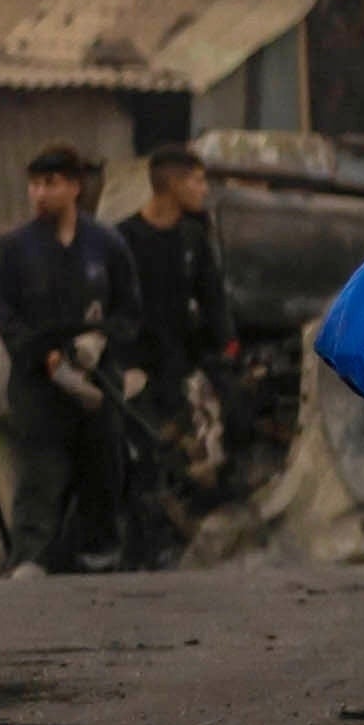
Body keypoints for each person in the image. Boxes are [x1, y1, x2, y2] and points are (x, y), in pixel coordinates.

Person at [0, 146, 134, 574]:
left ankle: (98, 556)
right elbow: (8, 321)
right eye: (34, 184)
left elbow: (128, 311)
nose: (39, 194)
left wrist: (100, 342)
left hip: (96, 378)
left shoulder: (106, 245)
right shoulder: (11, 250)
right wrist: (48, 359)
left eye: (50, 183)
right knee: (41, 473)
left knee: (103, 466)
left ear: (74, 186)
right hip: (39, 382)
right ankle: (30, 558)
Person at [114, 143, 247, 551]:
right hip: (137, 370)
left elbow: (212, 299)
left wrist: (225, 347)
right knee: (143, 456)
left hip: (182, 362)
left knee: (222, 427)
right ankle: (141, 543)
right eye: (197, 179)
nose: (204, 189)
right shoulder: (124, 239)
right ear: (171, 184)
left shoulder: (193, 236)